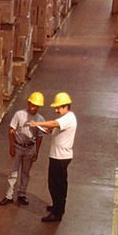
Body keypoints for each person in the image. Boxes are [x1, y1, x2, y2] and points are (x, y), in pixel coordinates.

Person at [34, 92, 77, 223]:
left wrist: (36, 124)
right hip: (58, 156)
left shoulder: (68, 118)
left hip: (60, 157)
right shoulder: (67, 118)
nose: (56, 110)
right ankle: (57, 207)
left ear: (66, 106)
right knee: (57, 184)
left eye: (58, 107)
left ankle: (57, 213)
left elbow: (53, 123)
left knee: (56, 185)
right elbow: (55, 128)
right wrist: (47, 130)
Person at [0, 91, 46, 207]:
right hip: (18, 147)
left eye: (37, 106)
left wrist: (36, 151)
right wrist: (11, 146)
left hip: (30, 149)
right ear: (28, 103)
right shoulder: (19, 115)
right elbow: (11, 130)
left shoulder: (40, 119)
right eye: (32, 105)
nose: (34, 108)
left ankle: (22, 194)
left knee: (25, 173)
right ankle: (9, 196)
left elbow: (40, 137)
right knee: (13, 172)